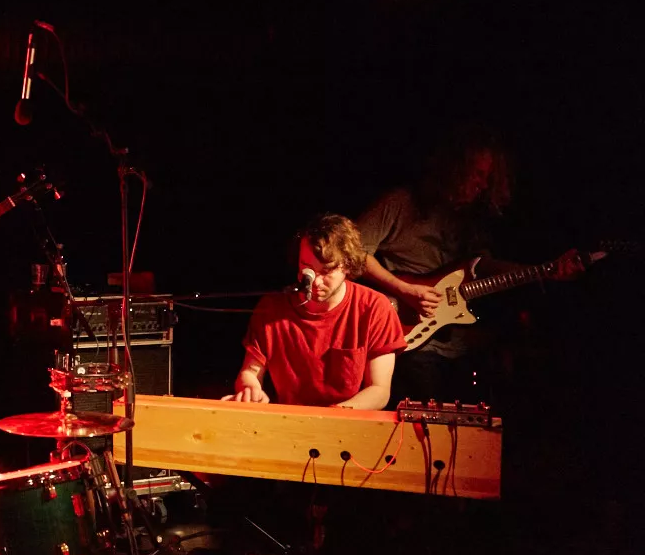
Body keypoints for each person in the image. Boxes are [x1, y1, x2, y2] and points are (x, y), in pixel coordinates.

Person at [356, 126, 582, 403]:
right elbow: (353, 251)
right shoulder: (401, 203)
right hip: (412, 341)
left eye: (488, 178)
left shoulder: (473, 222)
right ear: (454, 167)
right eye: (477, 173)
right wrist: (405, 289)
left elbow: (483, 266)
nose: (483, 185)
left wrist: (545, 271)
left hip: (460, 347)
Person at [226, 214, 406, 409]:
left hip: (346, 420)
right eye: (307, 269)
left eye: (326, 271)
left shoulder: (374, 308)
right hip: (290, 419)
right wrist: (250, 389)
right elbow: (250, 372)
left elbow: (379, 390)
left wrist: (332, 416)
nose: (316, 282)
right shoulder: (272, 307)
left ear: (347, 264)